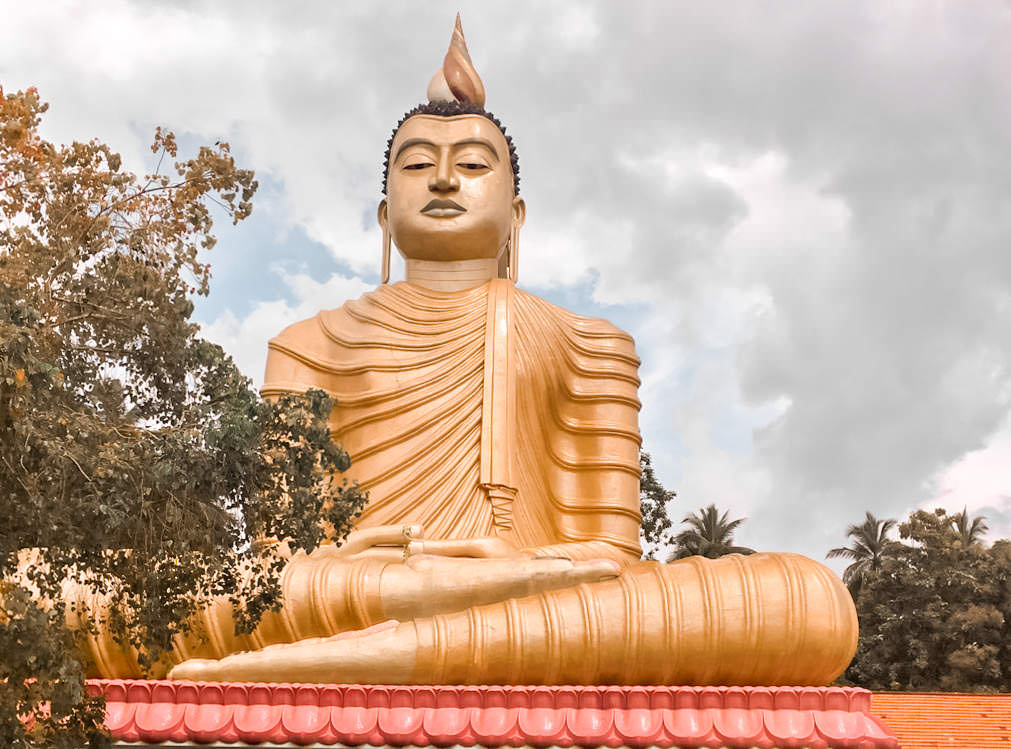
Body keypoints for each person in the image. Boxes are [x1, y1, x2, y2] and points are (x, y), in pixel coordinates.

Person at [90, 16, 858, 686]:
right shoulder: (307, 344)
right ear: (384, 215)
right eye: (417, 163)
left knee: (811, 603)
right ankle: (408, 627)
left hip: (540, 595)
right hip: (356, 591)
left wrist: (514, 572)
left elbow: (609, 562)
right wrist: (383, 571)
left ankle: (380, 650)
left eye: (473, 164)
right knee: (57, 591)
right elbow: (277, 564)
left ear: (515, 215)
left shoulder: (590, 342)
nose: (446, 177)